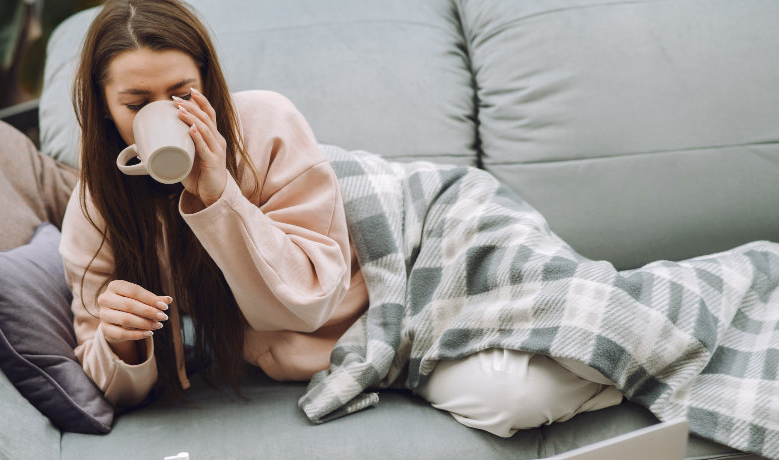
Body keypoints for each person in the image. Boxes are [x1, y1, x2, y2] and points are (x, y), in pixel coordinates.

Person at [60, 0, 622, 435]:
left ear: (207, 84)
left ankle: (620, 341)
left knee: (593, 324)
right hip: (366, 330)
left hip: (427, 229)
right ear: (104, 107)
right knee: (515, 399)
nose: (167, 116)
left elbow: (308, 299)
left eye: (182, 93)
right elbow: (105, 376)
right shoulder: (96, 207)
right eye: (138, 104)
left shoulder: (264, 122)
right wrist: (121, 341)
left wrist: (217, 193)